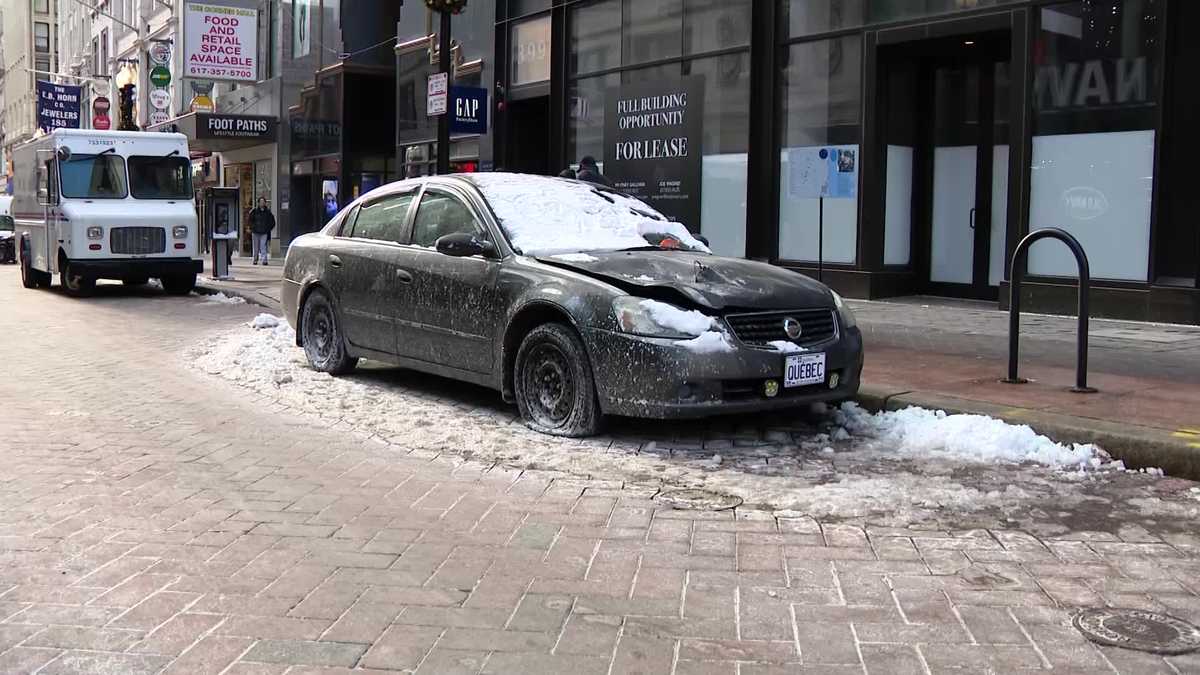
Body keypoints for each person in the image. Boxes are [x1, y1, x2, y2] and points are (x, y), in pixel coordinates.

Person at [249, 197, 276, 265]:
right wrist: (252, 228)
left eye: (263, 202)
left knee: (263, 246)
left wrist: (268, 229)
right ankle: (255, 259)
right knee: (256, 247)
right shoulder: (254, 211)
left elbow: (272, 222)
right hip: (255, 232)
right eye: (261, 202)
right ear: (258, 203)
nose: (262, 203)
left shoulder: (268, 212)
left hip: (264, 232)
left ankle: (264, 260)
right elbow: (250, 221)